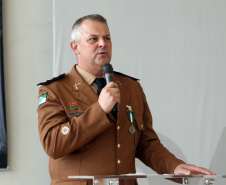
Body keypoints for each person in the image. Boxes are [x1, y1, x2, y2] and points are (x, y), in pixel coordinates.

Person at [37, 14, 215, 185]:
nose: (102, 44)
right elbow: (53, 145)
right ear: (75, 47)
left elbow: (146, 143)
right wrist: (100, 109)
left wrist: (174, 166)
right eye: (93, 39)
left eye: (107, 38)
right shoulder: (54, 90)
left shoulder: (130, 87)